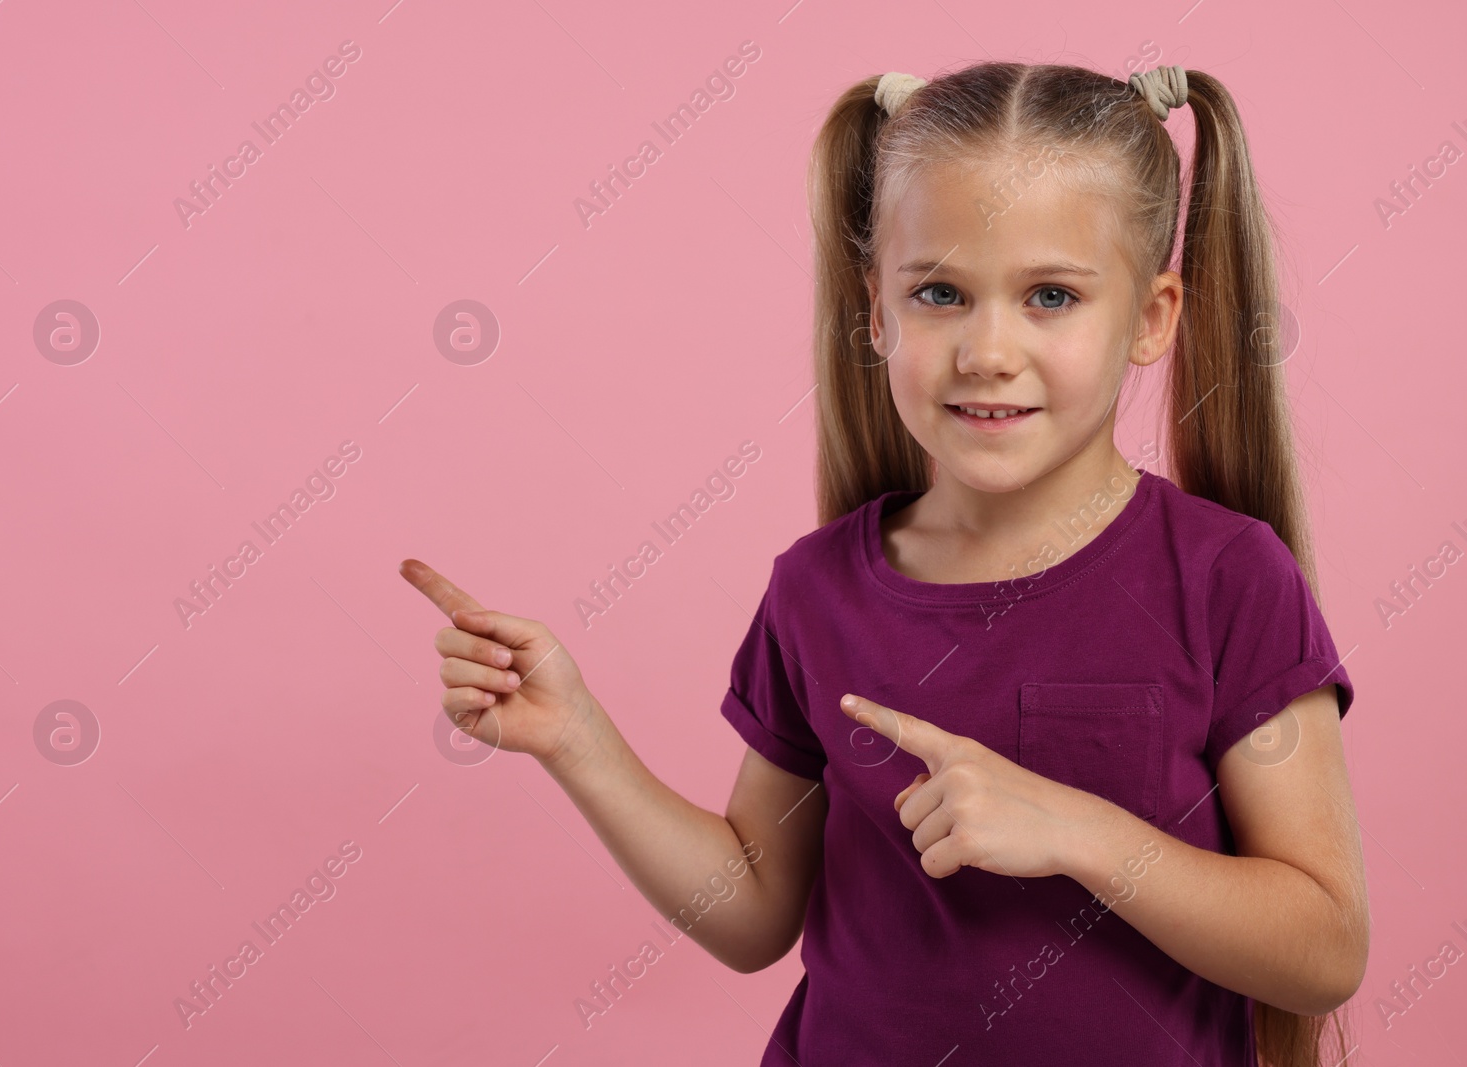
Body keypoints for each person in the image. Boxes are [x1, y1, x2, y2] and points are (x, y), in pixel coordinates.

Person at [401, 60, 1367, 1067]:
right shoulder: (815, 589)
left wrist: (1079, 832)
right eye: (940, 292)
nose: (986, 349)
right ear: (876, 311)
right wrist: (576, 739)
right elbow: (753, 913)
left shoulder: (1225, 579)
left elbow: (1324, 944)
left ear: (1151, 316)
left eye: (1049, 295)